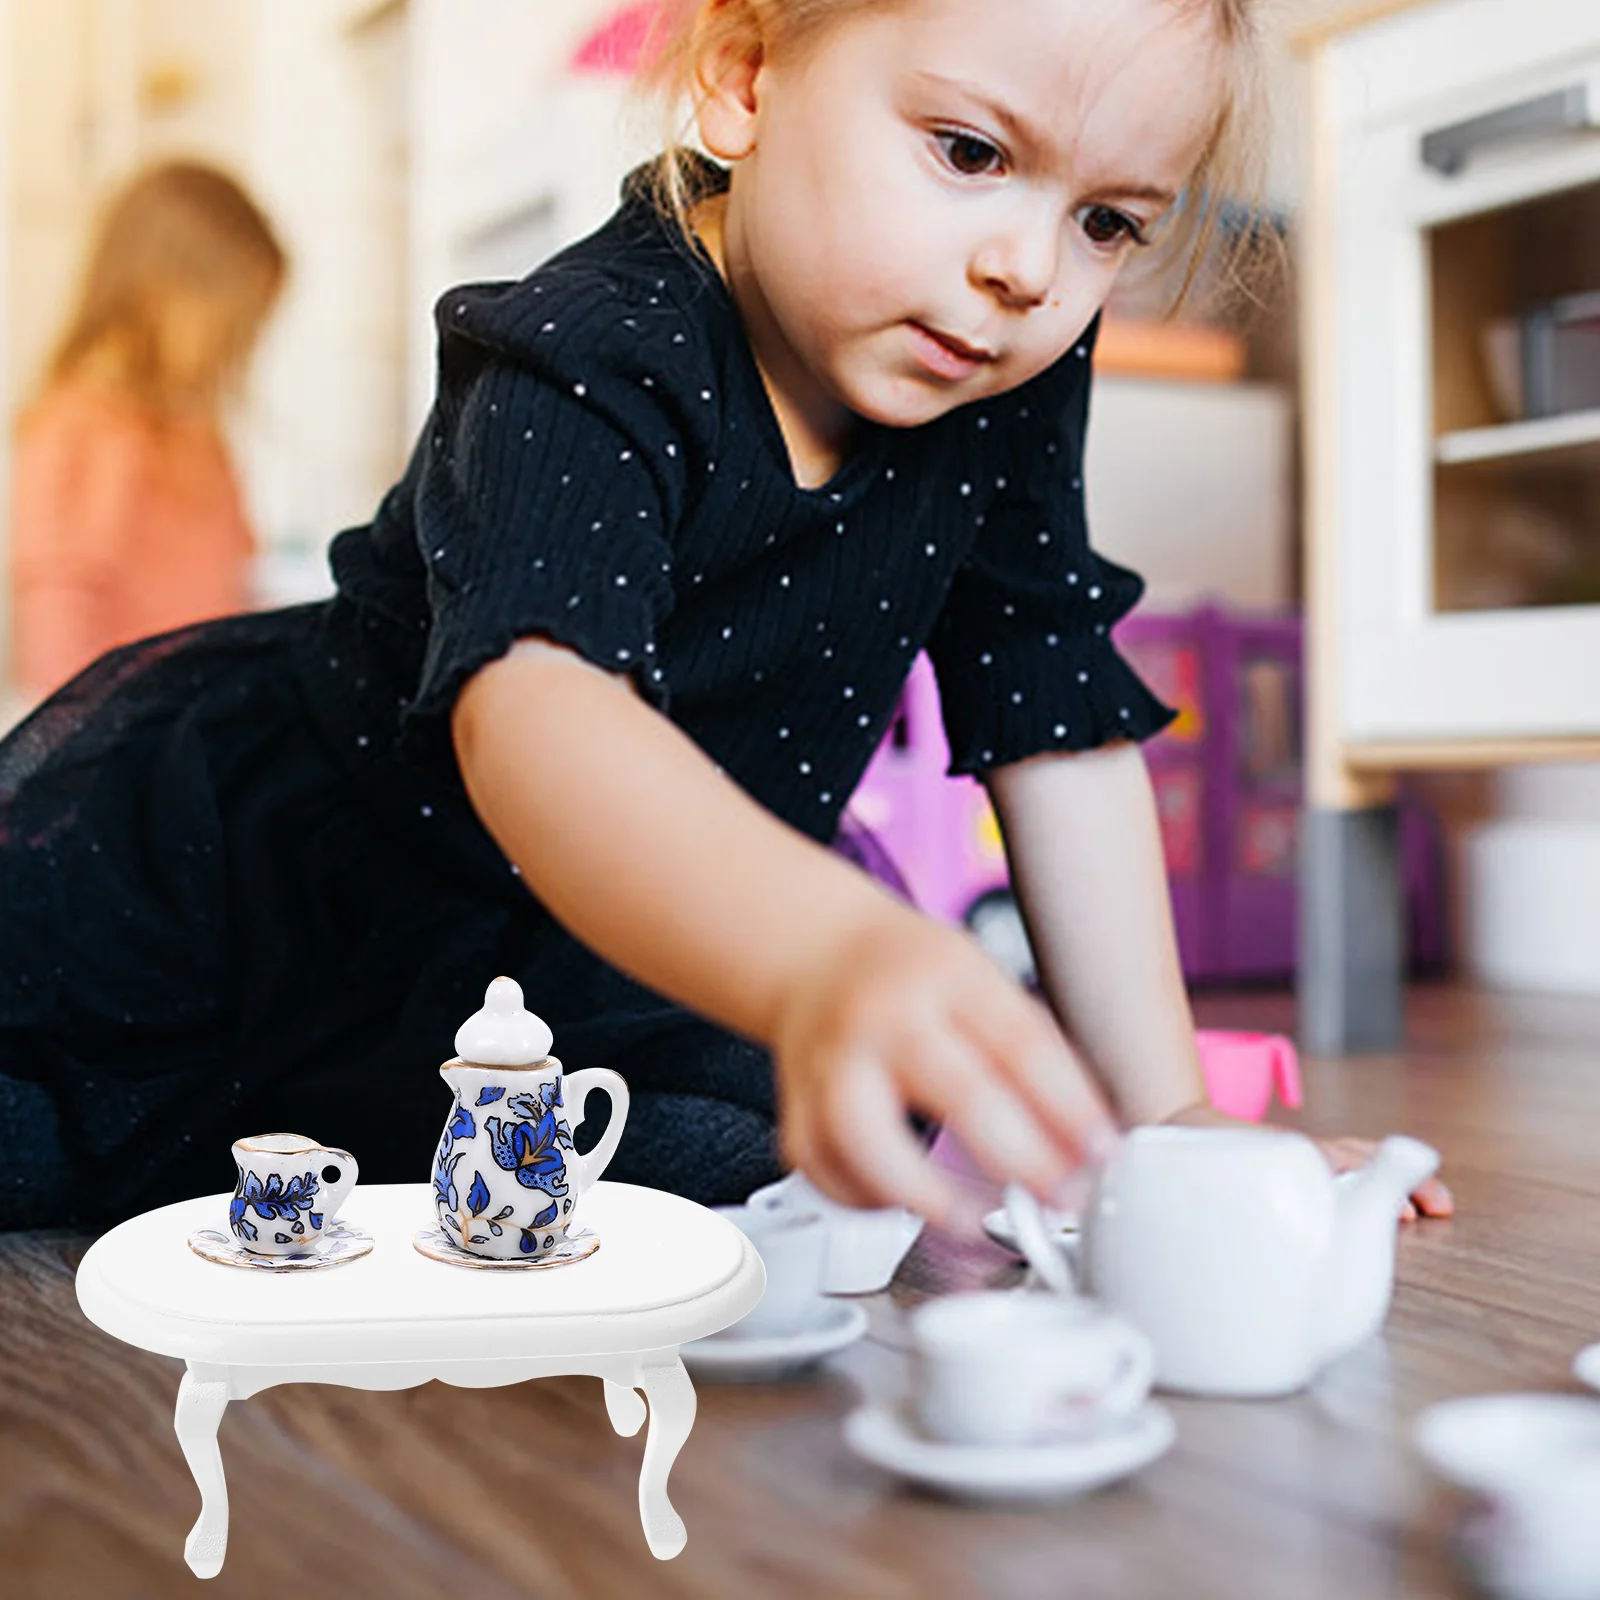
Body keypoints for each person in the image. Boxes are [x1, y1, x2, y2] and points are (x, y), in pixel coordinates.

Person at [0, 0, 1452, 1232]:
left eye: (1106, 222)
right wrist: (828, 950)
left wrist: (1171, 1114)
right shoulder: (589, 349)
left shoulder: (996, 371)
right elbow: (540, 721)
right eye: (968, 152)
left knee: (767, 1171)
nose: (1028, 270)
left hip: (587, 952)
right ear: (746, 78)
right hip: (280, 893)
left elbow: (1053, 705)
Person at [8, 161, 286, 702]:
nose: (238, 353)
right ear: (167, 294)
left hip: (191, 729)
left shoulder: (196, 436)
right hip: (119, 749)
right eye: (234, 328)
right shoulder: (82, 432)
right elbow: (58, 631)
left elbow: (229, 594)